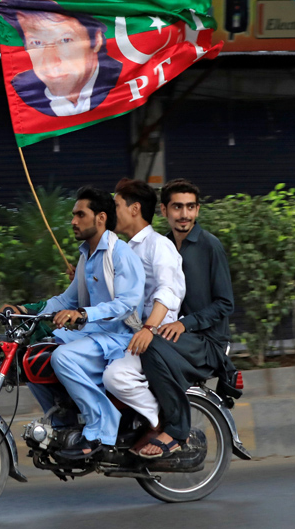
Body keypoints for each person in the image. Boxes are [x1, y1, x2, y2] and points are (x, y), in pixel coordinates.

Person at [0, 186, 144, 460]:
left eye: (80, 214)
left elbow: (128, 304)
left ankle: (101, 426)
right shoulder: (87, 255)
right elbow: (66, 301)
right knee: (34, 358)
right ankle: (64, 428)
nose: (73, 221)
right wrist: (22, 308)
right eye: (73, 215)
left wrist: (85, 314)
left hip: (118, 339)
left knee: (62, 358)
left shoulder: (120, 254)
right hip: (92, 336)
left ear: (100, 218)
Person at [136, 179, 241, 458]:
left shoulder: (210, 246)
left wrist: (185, 323)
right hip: (177, 336)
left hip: (207, 341)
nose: (184, 214)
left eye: (190, 207)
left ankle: (176, 429)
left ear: (198, 210)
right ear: (164, 210)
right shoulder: (163, 245)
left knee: (151, 344)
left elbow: (225, 303)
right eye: (177, 207)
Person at [101, 179, 186, 457]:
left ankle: (156, 422)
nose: (111, 213)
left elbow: (168, 291)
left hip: (156, 338)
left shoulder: (157, 245)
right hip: (129, 333)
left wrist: (150, 329)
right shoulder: (125, 249)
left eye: (116, 206)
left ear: (135, 209)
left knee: (116, 376)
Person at [0, 0, 123, 117]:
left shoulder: (124, 82)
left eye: (65, 40)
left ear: (96, 40)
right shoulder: (18, 93)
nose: (51, 60)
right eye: (36, 43)